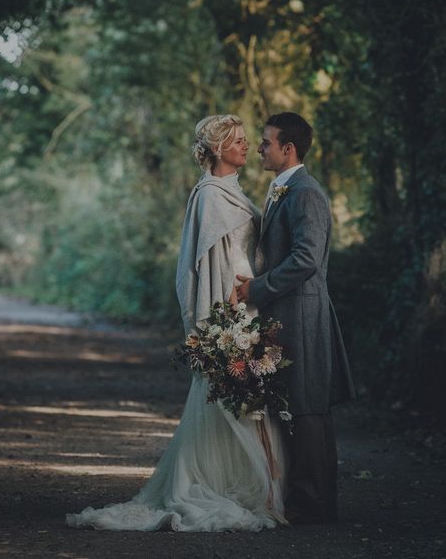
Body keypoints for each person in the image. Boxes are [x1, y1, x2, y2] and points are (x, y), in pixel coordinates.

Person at [66, 115, 288, 532]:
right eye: (237, 141)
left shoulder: (235, 192)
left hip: (250, 301)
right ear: (217, 149)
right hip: (229, 306)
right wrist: (217, 322)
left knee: (250, 399)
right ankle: (214, 482)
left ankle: (255, 484)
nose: (245, 147)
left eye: (246, 140)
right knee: (226, 397)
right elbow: (203, 267)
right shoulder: (207, 196)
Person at [235, 111, 355, 525]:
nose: (260, 148)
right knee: (297, 405)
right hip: (286, 312)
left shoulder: (305, 192)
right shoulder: (282, 189)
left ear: (288, 149)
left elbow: (305, 258)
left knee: (307, 407)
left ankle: (314, 505)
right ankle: (306, 500)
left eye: (266, 142)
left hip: (302, 312)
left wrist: (258, 288)